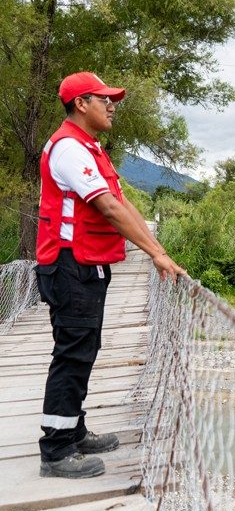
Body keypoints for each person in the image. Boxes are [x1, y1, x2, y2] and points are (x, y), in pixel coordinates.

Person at [35, 71, 185, 478]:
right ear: (81, 103)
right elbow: (108, 208)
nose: (112, 104)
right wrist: (154, 255)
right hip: (69, 266)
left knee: (84, 349)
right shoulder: (69, 149)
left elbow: (124, 204)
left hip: (85, 265)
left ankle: (73, 429)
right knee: (72, 353)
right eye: (103, 98)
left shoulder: (90, 148)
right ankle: (56, 451)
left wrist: (161, 252)